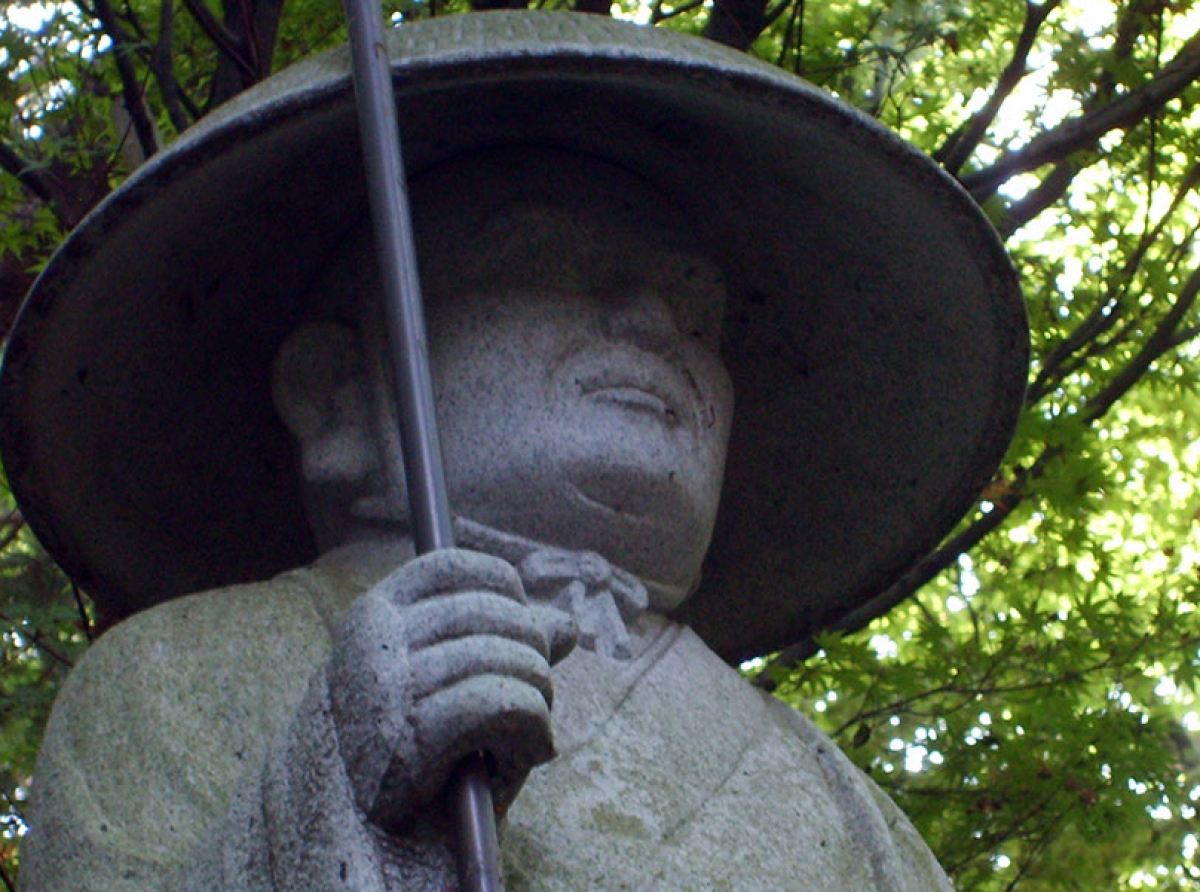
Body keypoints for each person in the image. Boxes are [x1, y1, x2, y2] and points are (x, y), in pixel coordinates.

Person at [2, 12, 1028, 891]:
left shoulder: (836, 797)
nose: (653, 321)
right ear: (338, 397)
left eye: (698, 312)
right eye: (545, 259)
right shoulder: (179, 680)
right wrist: (332, 792)